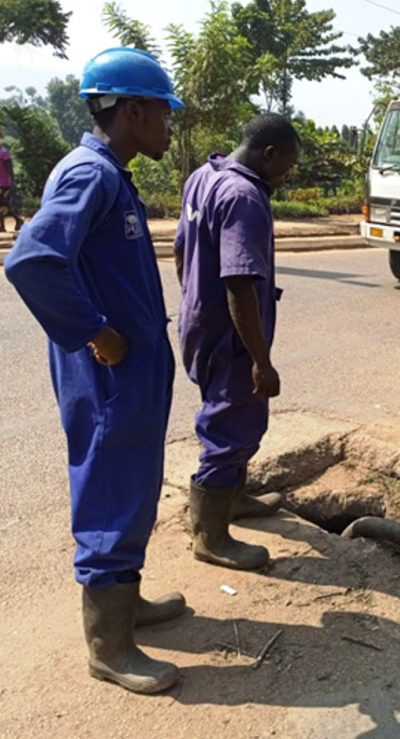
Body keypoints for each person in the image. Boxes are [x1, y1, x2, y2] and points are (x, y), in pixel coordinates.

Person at [3, 47, 185, 694]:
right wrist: (94, 332)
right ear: (133, 110)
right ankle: (109, 645)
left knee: (132, 483)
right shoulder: (91, 175)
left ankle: (126, 604)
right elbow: (31, 261)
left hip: (130, 372)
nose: (170, 125)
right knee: (110, 490)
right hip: (109, 376)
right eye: (165, 112)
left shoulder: (111, 172)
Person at [174, 114, 301, 570]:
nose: (287, 177)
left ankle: (235, 498)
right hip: (231, 337)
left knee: (230, 416)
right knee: (231, 428)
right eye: (287, 166)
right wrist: (260, 360)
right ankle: (211, 537)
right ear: (268, 154)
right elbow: (239, 284)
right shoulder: (244, 196)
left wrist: (193, 298)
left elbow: (180, 249)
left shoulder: (203, 177)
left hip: (200, 324)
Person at [0, 129, 25, 233]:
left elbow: (9, 169)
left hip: (3, 182)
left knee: (2, 204)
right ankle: (3, 225)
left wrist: (12, 182)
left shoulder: (4, 153)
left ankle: (17, 219)